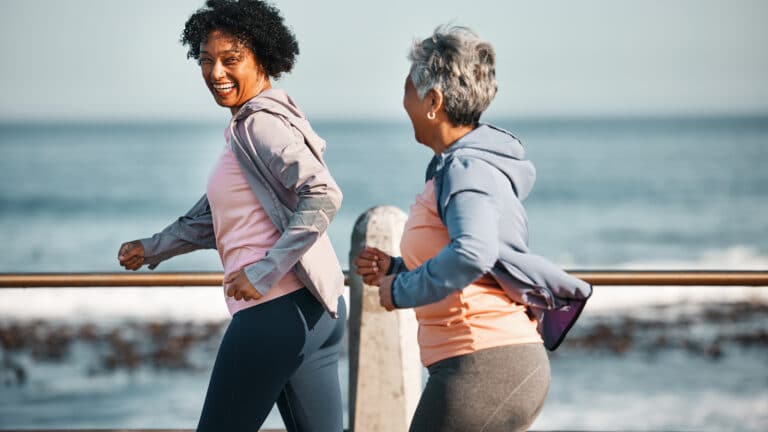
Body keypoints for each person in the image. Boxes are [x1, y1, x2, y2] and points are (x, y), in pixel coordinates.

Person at [116, 1, 346, 431]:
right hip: (316, 312)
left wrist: (263, 271)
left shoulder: (261, 125)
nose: (216, 73)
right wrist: (154, 248)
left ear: (262, 58)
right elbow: (213, 217)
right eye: (206, 61)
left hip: (273, 312)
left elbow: (323, 194)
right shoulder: (251, 127)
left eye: (230, 59)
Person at [355, 26, 592, 432]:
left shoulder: (467, 168)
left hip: (484, 362)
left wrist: (400, 290)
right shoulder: (463, 166)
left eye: (408, 90)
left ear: (434, 101)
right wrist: (396, 268)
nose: (402, 102)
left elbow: (472, 252)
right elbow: (478, 261)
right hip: (482, 361)